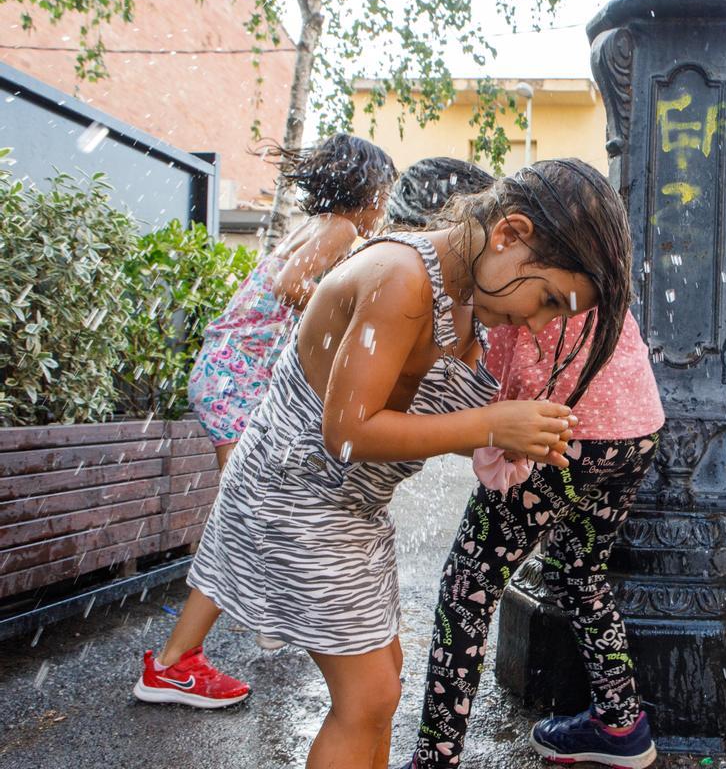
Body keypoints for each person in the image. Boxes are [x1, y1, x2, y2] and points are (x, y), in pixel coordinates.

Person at [137, 157, 634, 769]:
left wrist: (507, 441)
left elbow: (411, 418)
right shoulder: (402, 277)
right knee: (368, 697)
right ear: (509, 233)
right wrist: (487, 423)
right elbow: (347, 433)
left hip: (350, 509)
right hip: (295, 496)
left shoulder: (465, 293)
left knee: (384, 683)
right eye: (549, 299)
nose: (537, 321)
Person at [163, 134, 398, 690]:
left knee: (245, 506)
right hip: (237, 380)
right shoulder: (339, 230)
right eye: (381, 194)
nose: (383, 207)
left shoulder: (315, 226)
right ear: (360, 192)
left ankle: (207, 643)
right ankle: (222, 640)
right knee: (245, 507)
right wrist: (343, 316)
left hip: (228, 371)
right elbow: (293, 285)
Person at [405, 293, 664, 769]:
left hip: (561, 432)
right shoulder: (589, 235)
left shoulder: (521, 253)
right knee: (579, 572)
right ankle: (620, 723)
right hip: (636, 425)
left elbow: (499, 365)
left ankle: (436, 759)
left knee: (469, 586)